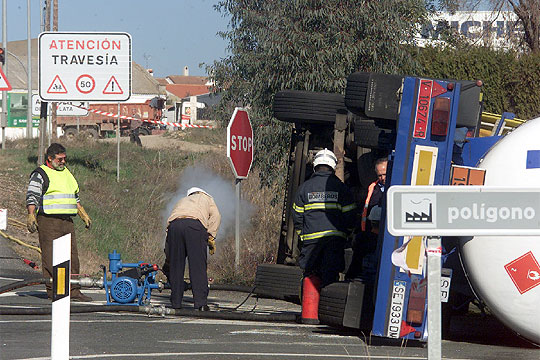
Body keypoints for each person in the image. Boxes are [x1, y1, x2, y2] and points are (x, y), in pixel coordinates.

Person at [26, 143, 93, 302]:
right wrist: (31, 215)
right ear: (50, 158)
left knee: (72, 257)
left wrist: (82, 212)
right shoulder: (40, 174)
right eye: (60, 159)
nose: (63, 162)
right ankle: (53, 290)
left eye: (64, 159)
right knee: (51, 257)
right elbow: (32, 196)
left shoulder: (67, 174)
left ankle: (74, 290)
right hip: (49, 221)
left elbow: (74, 196)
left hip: (67, 222)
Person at [292, 148, 357, 287]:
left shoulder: (304, 188)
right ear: (333, 166)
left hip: (311, 243)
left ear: (315, 165)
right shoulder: (341, 188)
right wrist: (347, 234)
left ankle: (309, 307)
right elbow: (350, 216)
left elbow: (297, 215)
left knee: (310, 275)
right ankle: (327, 306)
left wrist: (303, 235)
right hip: (334, 241)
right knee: (330, 278)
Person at [165, 187, 221, 310]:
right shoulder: (207, 198)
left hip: (174, 227)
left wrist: (168, 259)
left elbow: (168, 232)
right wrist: (211, 236)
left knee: (176, 267)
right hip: (194, 227)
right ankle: (200, 304)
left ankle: (176, 303)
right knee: (197, 266)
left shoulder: (182, 200)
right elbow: (216, 216)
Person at [361, 157, 387, 234]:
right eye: (380, 175)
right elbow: (366, 211)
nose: (383, 178)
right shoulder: (372, 188)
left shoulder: (398, 187)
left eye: (385, 174)